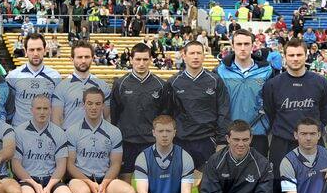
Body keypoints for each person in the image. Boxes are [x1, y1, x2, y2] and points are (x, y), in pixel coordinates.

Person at [64, 88, 135, 193]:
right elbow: (70, 165)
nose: (94, 107)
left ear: (103, 105)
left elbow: (115, 163)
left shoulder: (113, 131)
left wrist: (103, 184)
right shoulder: (72, 131)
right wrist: (90, 184)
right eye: (90, 103)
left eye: (97, 104)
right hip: (80, 178)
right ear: (83, 105)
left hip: (105, 179)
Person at [262, 38, 327, 193]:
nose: (295, 58)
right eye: (291, 55)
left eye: (299, 54)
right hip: (282, 143)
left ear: (306, 56)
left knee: (314, 184)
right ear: (285, 57)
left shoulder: (320, 82)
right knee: (278, 185)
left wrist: (312, 133)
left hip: (312, 143)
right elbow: (270, 112)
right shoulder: (273, 85)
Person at [167, 41, 230, 173]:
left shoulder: (215, 80)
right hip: (181, 141)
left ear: (203, 56)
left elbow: (224, 112)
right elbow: (167, 115)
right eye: (192, 53)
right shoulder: (173, 82)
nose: (195, 56)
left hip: (207, 141)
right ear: (184, 56)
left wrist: (221, 141)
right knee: (182, 187)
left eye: (198, 53)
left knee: (207, 186)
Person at [110, 43, 171, 180]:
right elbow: (114, 114)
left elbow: (165, 115)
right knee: (124, 183)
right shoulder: (120, 84)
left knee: (154, 183)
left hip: (151, 142)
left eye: (145, 59)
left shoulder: (161, 85)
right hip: (127, 142)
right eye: (138, 59)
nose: (141, 63)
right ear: (131, 60)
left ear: (150, 60)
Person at [216, 29, 275, 155]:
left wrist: (267, 126)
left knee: (257, 173)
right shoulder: (220, 71)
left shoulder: (267, 71)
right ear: (232, 46)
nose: (242, 48)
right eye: (239, 44)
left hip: (258, 133)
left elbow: (272, 102)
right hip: (230, 134)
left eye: (246, 44)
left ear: (253, 45)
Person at [52, 41, 111, 131]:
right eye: (79, 57)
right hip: (70, 141)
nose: (83, 61)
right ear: (71, 59)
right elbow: (56, 119)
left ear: (92, 58)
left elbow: (107, 117)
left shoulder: (103, 86)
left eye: (87, 57)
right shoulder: (61, 87)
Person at [6, 32, 61, 125]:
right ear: (25, 51)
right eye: (31, 50)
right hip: (19, 132)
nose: (35, 53)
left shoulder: (55, 77)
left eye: (39, 49)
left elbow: (58, 109)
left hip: (46, 133)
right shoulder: (13, 76)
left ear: (45, 50)